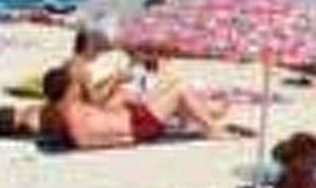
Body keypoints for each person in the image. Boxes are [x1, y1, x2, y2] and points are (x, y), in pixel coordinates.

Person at [39, 64, 235, 149]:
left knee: (170, 85)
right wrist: (127, 139)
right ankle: (213, 128)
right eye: (74, 84)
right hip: (140, 125)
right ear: (67, 89)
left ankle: (209, 113)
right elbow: (84, 141)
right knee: (180, 89)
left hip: (136, 118)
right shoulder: (71, 112)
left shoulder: (66, 108)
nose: (78, 86)